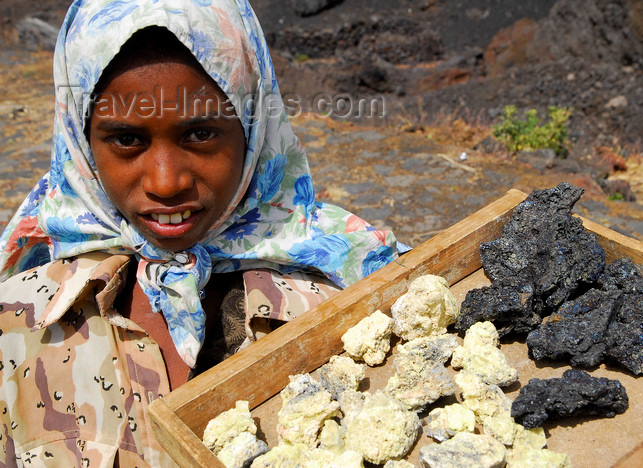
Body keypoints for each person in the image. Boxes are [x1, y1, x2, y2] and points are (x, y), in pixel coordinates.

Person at [0, 0, 407, 465]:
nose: (166, 182)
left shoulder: (348, 303)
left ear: (253, 126)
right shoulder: (20, 322)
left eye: (200, 134)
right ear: (80, 141)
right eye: (128, 140)